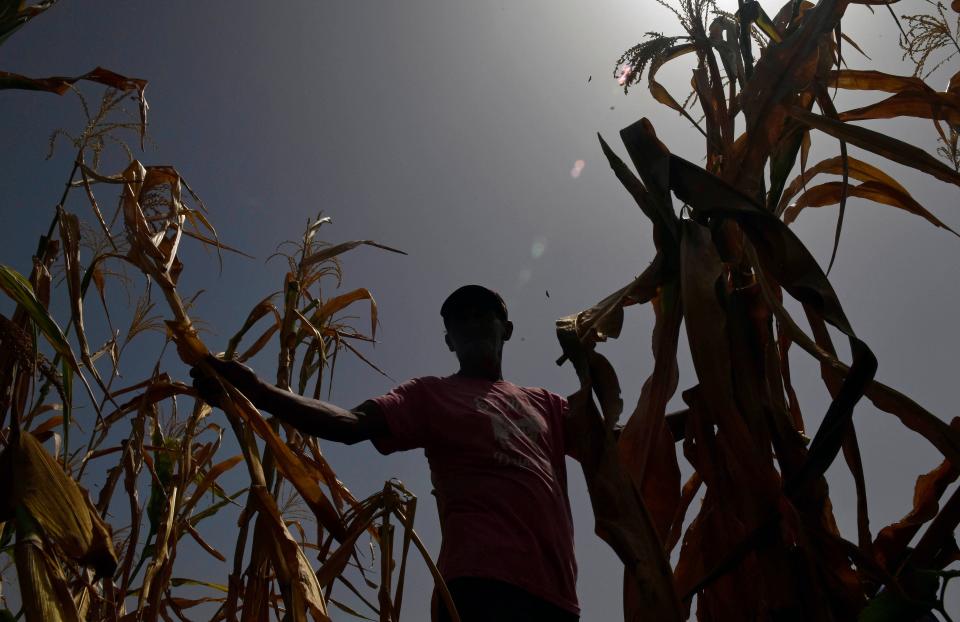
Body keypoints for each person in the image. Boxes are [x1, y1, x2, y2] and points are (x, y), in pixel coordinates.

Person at [192, 285, 580, 622]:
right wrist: (258, 391)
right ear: (449, 339)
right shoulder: (429, 395)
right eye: (461, 318)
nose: (473, 323)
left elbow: (625, 443)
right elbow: (350, 423)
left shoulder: (547, 404)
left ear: (507, 330)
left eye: (485, 314)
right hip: (482, 586)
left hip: (558, 596)